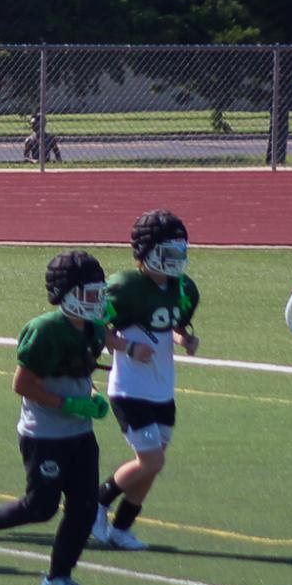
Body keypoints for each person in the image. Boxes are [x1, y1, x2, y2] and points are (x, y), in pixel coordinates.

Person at [0, 251, 114, 585]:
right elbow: (22, 383)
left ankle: (58, 577)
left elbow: (83, 373)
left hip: (80, 432)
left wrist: (92, 394)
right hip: (44, 433)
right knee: (40, 507)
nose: (96, 301)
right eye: (89, 294)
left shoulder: (93, 329)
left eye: (99, 293)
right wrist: (67, 403)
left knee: (85, 508)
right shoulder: (45, 330)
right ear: (67, 294)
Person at [91, 209, 201, 551]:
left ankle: (122, 529)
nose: (176, 261)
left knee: (153, 465)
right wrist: (127, 346)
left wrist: (184, 339)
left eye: (180, 253)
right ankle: (97, 502)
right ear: (147, 253)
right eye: (169, 254)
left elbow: (172, 322)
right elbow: (93, 326)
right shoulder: (124, 287)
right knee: (150, 460)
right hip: (130, 389)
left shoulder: (183, 288)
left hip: (162, 388)